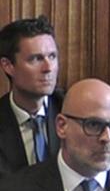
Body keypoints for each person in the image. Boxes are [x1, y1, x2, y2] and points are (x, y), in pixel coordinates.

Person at [0, 16, 63, 180]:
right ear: (8, 66)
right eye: (36, 59)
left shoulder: (72, 111)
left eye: (52, 56)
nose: (48, 68)